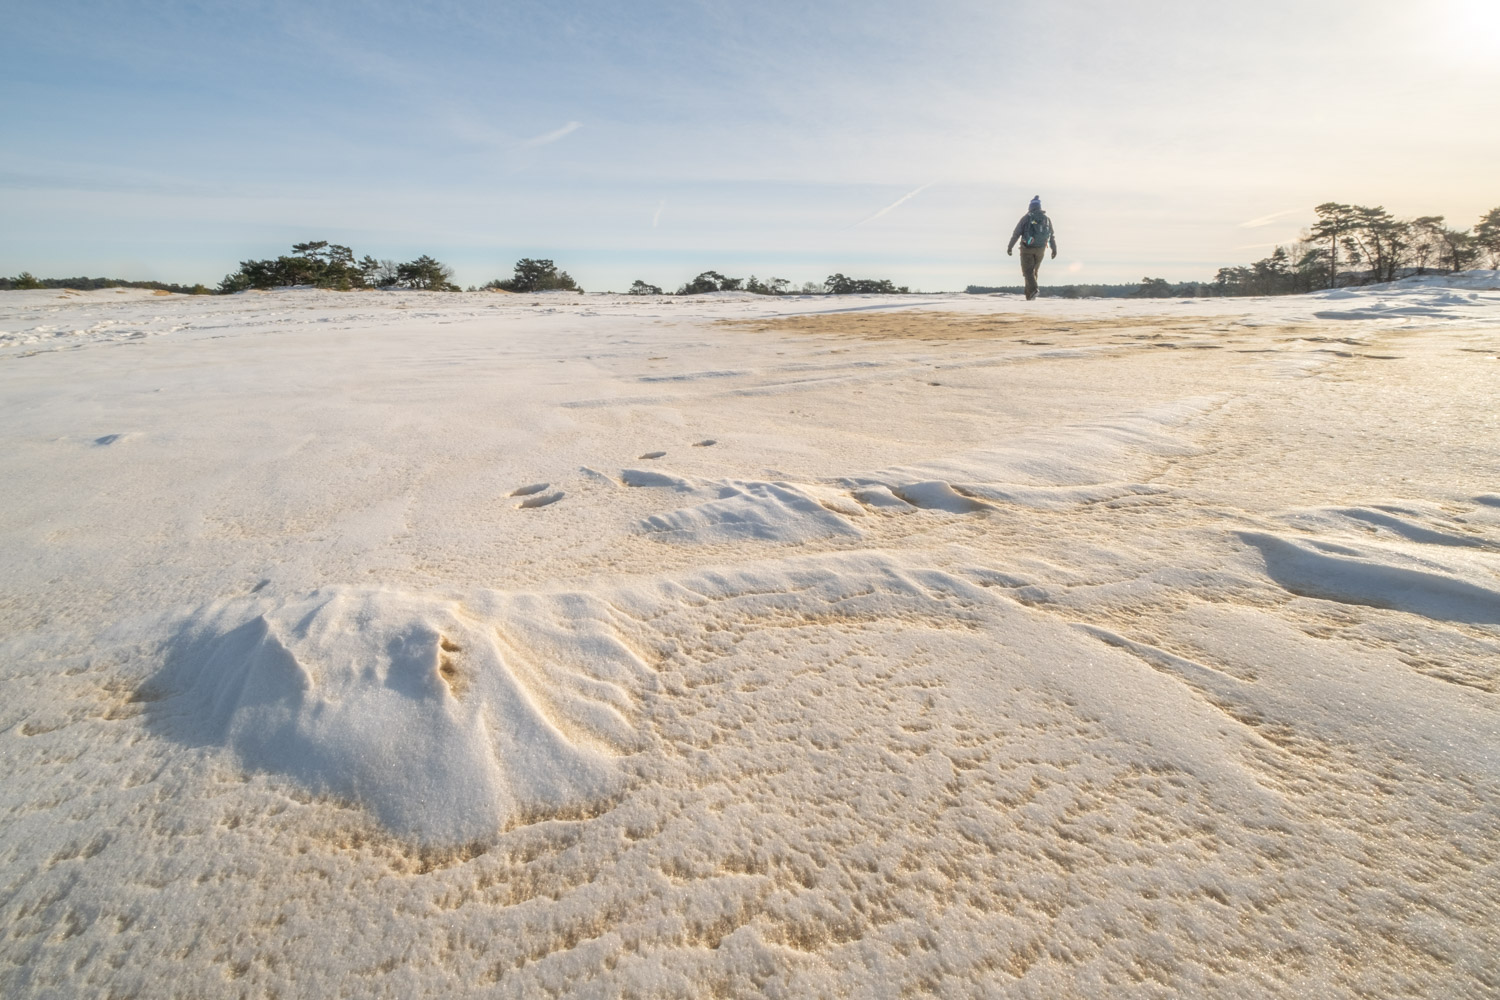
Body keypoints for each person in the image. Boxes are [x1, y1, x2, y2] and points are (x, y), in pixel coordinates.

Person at [1006, 195, 1058, 301]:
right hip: (1041, 249)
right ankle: (1030, 298)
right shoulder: (1046, 219)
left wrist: (1010, 247)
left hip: (1027, 249)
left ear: (1030, 207)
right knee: (1034, 272)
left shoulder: (1026, 218)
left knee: (1027, 272)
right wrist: (1054, 249)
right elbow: (1051, 235)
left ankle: (1033, 290)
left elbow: (1016, 234)